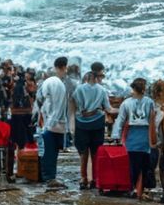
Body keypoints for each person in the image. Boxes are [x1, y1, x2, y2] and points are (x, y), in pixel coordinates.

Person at [112, 78, 156, 200]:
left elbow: (120, 120)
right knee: (144, 165)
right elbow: (153, 121)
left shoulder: (126, 103)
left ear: (133, 88)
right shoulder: (149, 102)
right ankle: (140, 190)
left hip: (132, 135)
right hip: (145, 135)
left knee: (132, 165)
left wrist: (116, 136)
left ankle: (132, 188)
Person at [73, 63, 112, 190]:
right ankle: (94, 179)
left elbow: (77, 106)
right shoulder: (102, 90)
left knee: (83, 153)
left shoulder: (79, 89)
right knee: (95, 153)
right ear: (97, 76)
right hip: (97, 123)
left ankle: (83, 178)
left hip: (81, 123)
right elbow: (108, 108)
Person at [36, 57, 69, 187]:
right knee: (51, 152)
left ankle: (49, 176)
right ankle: (50, 178)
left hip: (49, 123)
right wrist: (50, 124)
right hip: (53, 125)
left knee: (49, 151)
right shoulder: (57, 83)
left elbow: (40, 100)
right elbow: (57, 106)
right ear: (63, 67)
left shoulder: (48, 82)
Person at [64, 57, 82, 148]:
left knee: (70, 118)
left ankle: (70, 136)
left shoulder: (67, 79)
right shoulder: (78, 80)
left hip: (69, 101)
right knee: (72, 118)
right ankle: (72, 136)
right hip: (73, 101)